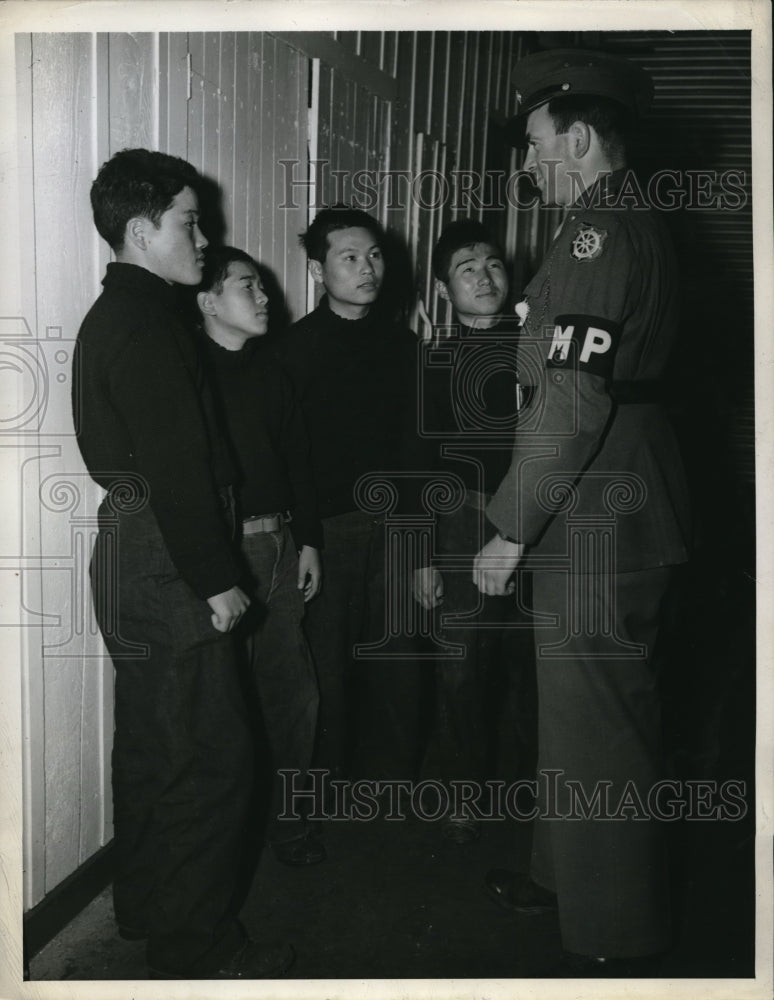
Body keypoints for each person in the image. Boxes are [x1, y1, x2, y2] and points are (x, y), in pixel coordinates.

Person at [472, 50, 691, 975]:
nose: (527, 166)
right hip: (603, 493)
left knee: (601, 726)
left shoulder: (602, 231)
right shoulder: (605, 223)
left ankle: (614, 939)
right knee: (576, 714)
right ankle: (566, 879)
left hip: (597, 502)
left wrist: (510, 526)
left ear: (582, 138)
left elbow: (572, 400)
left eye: (535, 145)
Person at [73, 149, 293, 979]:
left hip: (136, 549)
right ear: (140, 230)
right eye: (188, 222)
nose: (204, 237)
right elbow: (178, 468)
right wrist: (218, 580)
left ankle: (146, 909)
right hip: (171, 555)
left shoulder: (118, 315)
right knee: (212, 759)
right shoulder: (149, 325)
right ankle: (197, 948)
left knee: (157, 747)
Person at [277, 206, 420, 791]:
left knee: (399, 662)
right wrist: (308, 536)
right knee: (328, 666)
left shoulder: (402, 345)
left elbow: (417, 448)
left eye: (375, 255)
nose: (368, 269)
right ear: (317, 271)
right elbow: (290, 460)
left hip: (396, 527)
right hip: (329, 529)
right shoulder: (291, 351)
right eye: (350, 258)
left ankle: (395, 785)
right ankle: (328, 788)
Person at [195, 245, 325, 866]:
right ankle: (226, 845)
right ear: (208, 299)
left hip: (282, 546)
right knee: (225, 706)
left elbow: (300, 458)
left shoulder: (273, 371)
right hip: (229, 550)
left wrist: (311, 542)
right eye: (248, 286)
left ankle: (290, 829)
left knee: (292, 697)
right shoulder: (189, 373)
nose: (265, 296)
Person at [408, 219, 536, 844]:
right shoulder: (433, 361)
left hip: (535, 518)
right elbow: (419, 465)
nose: (484, 277)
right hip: (459, 519)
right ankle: (461, 790)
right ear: (444, 288)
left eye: (493, 265)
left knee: (529, 663)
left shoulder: (539, 349)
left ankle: (527, 793)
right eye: (467, 268)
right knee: (460, 663)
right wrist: (423, 555)